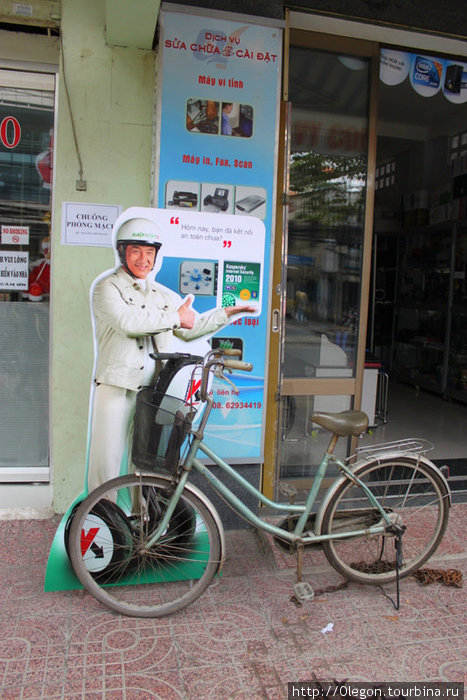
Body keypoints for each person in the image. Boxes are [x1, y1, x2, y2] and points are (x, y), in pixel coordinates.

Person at [87, 216, 255, 491]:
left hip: (154, 390)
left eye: (150, 252)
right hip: (117, 387)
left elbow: (189, 327)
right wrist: (174, 316)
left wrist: (224, 315)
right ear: (122, 252)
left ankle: (142, 523)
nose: (144, 259)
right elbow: (129, 323)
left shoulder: (160, 295)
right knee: (106, 463)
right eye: (136, 251)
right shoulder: (108, 288)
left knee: (145, 463)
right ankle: (104, 522)